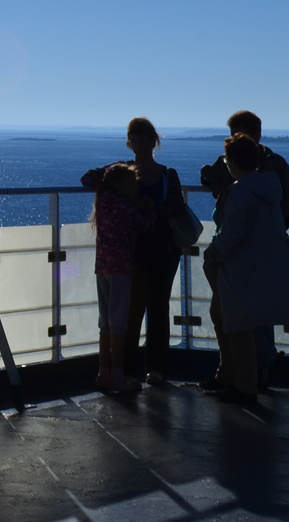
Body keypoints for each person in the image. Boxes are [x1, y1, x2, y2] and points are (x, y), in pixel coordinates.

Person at [200, 110, 289, 387]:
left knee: (238, 318)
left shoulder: (249, 176)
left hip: (239, 256)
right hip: (256, 254)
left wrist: (214, 254)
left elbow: (232, 212)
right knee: (238, 315)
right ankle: (238, 373)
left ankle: (248, 374)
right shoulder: (269, 171)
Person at [80, 117, 183, 384]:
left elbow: (175, 207)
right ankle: (124, 368)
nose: (137, 144)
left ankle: (154, 368)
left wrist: (137, 203)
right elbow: (88, 178)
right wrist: (128, 197)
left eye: (143, 138)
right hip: (130, 250)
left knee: (158, 306)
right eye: (133, 139)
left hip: (162, 248)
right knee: (130, 310)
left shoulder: (167, 174)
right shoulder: (119, 170)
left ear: (154, 141)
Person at [91, 164, 154, 393]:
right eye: (130, 182)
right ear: (119, 186)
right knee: (118, 323)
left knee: (105, 323)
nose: (134, 186)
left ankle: (103, 373)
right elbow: (146, 224)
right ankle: (117, 375)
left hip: (103, 266)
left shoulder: (104, 200)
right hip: (121, 267)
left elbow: (92, 177)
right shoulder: (124, 206)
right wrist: (148, 207)